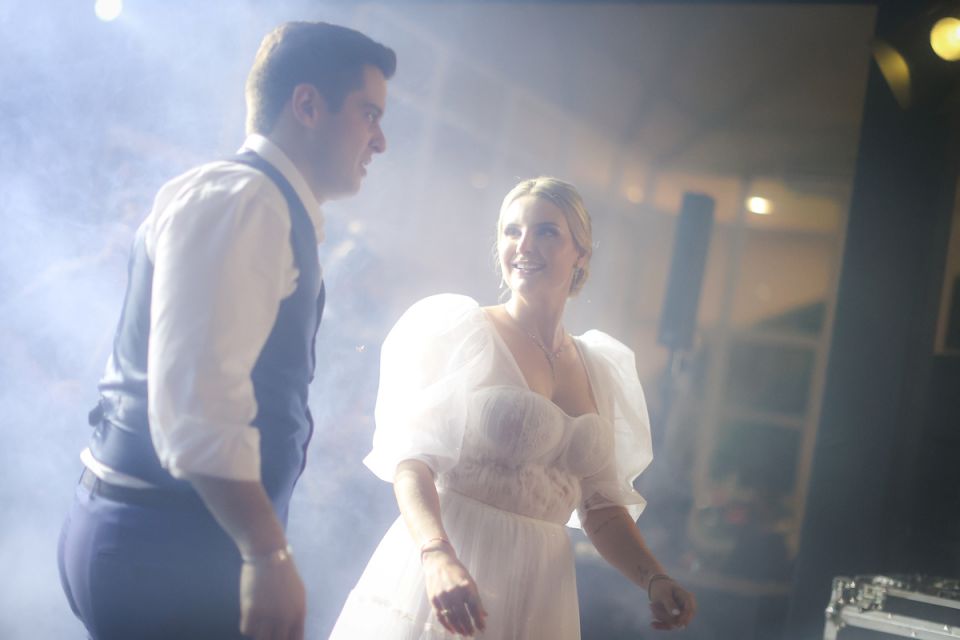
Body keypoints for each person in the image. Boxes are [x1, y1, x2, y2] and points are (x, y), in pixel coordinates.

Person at [57, 21, 395, 640]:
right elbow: (198, 408)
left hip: (164, 535)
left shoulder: (259, 202)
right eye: (369, 114)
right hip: (164, 546)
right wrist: (268, 554)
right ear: (307, 105)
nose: (381, 140)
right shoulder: (247, 201)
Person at [329, 177, 697, 638]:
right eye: (511, 231)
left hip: (543, 588)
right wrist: (436, 554)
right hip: (453, 564)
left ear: (581, 253)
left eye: (546, 232)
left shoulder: (599, 367)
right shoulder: (462, 332)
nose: (524, 245)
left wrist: (654, 577)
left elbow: (600, 507)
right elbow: (412, 462)